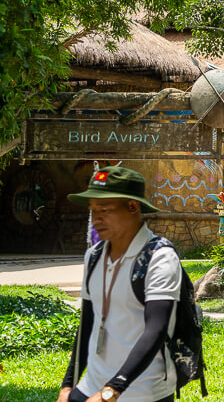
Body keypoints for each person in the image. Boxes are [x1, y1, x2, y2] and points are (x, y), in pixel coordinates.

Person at [59, 166, 182, 402]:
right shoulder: (94, 255)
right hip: (91, 387)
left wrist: (111, 391)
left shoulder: (159, 257)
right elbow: (87, 323)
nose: (96, 219)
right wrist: (68, 386)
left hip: (143, 393)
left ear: (133, 207)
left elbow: (155, 331)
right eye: (93, 210)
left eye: (104, 210)